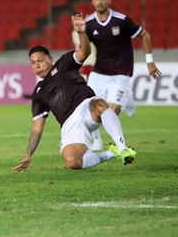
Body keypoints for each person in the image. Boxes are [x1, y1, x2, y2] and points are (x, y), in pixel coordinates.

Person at [12, 13, 137, 172]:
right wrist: (28, 154)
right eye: (32, 63)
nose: (37, 66)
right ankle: (112, 153)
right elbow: (37, 128)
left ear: (50, 59)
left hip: (86, 107)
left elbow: (84, 52)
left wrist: (81, 33)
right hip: (69, 123)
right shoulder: (38, 93)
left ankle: (122, 147)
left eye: (40, 61)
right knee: (73, 162)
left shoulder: (65, 62)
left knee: (99, 103)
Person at [85, 0, 162, 150]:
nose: (100, 1)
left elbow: (144, 35)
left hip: (122, 71)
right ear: (92, 1)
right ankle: (96, 141)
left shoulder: (121, 20)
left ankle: (125, 100)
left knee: (112, 110)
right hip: (99, 71)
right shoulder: (89, 24)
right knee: (87, 106)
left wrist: (150, 62)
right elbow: (84, 49)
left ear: (109, 0)